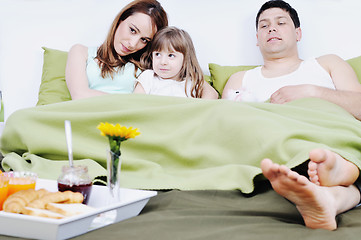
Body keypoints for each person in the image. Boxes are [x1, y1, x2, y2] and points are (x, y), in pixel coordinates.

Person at [222, 0, 361, 230]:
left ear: (298, 33)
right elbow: (228, 125)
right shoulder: (241, 79)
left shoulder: (327, 64)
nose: (271, 28)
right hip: (275, 147)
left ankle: (334, 168)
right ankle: (335, 179)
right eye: (264, 26)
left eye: (280, 22)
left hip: (329, 131)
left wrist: (312, 92)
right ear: (257, 39)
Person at [65, 0, 168, 100]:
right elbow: (79, 95)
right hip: (85, 115)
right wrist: (127, 101)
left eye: (144, 40)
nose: (132, 44)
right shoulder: (80, 52)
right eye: (132, 30)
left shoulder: (146, 68)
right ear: (120, 20)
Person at [133, 26, 218, 99]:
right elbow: (136, 103)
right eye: (158, 54)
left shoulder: (191, 82)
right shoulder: (149, 77)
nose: (163, 62)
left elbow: (212, 94)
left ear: (185, 59)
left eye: (171, 56)